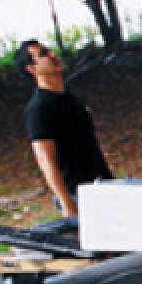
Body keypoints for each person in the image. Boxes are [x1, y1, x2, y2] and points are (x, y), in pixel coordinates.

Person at [15, 39, 113, 217]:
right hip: (77, 194)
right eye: (43, 54)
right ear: (32, 69)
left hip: (103, 186)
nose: (53, 56)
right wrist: (67, 203)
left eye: (50, 51)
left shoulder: (72, 99)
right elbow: (45, 159)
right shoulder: (39, 109)